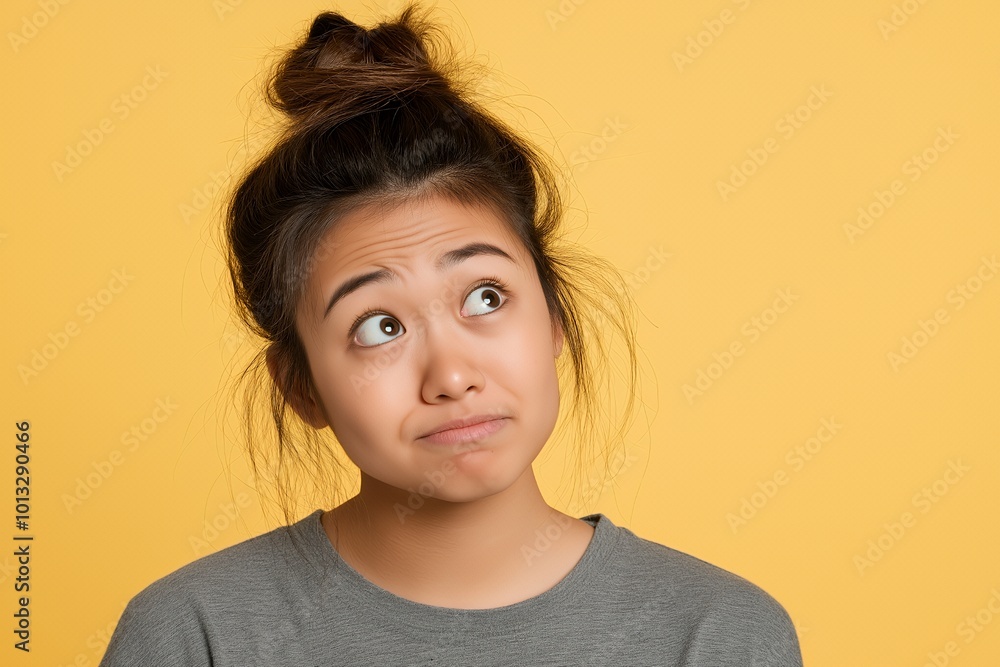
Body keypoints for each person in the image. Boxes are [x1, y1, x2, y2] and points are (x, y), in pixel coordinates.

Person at [100, 3, 803, 665]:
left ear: (553, 318)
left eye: (486, 296)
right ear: (301, 387)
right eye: (379, 326)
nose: (452, 375)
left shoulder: (719, 634)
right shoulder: (194, 635)